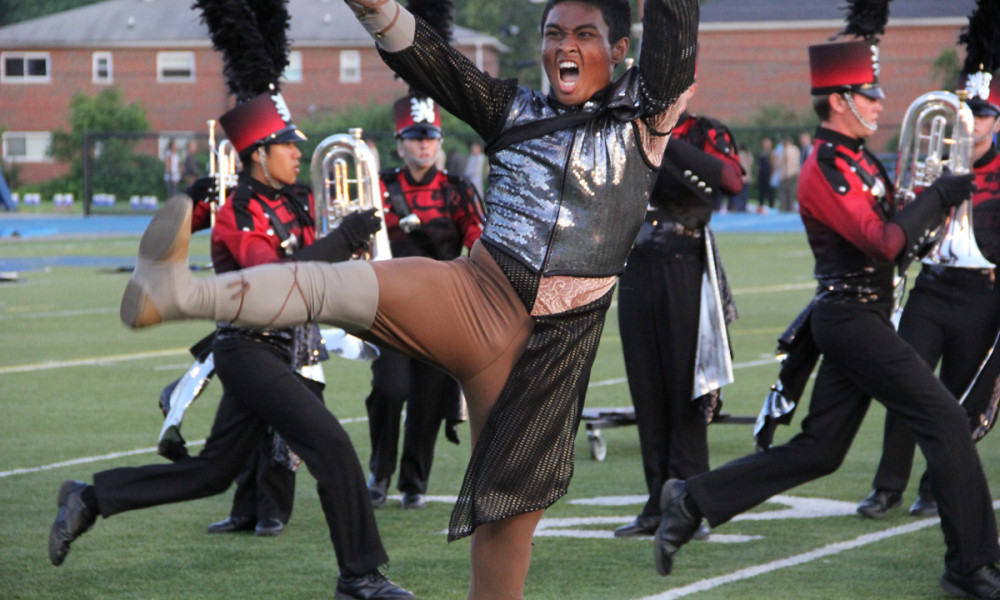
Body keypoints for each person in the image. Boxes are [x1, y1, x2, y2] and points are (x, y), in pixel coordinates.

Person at [106, 0, 698, 597]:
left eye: (585, 35)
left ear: (620, 50)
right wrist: (380, 9)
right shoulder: (510, 107)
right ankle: (176, 292)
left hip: (547, 358)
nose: (565, 46)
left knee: (505, 534)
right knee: (334, 285)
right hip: (475, 295)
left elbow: (676, 28)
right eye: (554, 34)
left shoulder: (643, 115)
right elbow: (437, 64)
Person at [48, 0, 414, 596]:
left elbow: (324, 266)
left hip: (283, 351)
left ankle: (90, 498)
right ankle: (361, 575)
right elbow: (273, 283)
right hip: (248, 349)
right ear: (257, 155)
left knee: (213, 472)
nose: (299, 152)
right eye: (287, 145)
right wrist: (339, 240)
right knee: (332, 446)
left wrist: (366, 233)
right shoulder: (235, 213)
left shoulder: (294, 202)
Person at [651, 27, 1000, 600]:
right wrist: (938, 196)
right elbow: (883, 243)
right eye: (870, 93)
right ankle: (972, 565)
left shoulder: (860, 161)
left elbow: (904, 243)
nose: (881, 103)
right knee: (944, 421)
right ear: (838, 100)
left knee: (821, 450)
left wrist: (935, 202)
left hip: (864, 316)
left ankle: (690, 500)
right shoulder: (825, 167)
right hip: (850, 319)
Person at [856, 67, 1000, 519]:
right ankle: (887, 487)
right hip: (933, 286)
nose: (974, 123)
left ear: (997, 120)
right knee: (906, 386)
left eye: (984, 114)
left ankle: (935, 486)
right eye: (968, 113)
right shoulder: (935, 163)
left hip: (985, 295)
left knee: (957, 400)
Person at [613, 87, 743, 540]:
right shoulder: (626, 128)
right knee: (646, 389)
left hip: (683, 263)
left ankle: (689, 501)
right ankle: (655, 503)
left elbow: (730, 182)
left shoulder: (706, 131)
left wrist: (665, 137)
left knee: (686, 389)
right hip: (634, 263)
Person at [365, 94, 484, 511]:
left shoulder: (458, 189)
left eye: (430, 136)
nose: (424, 145)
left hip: (441, 308)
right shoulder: (379, 186)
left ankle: (414, 479)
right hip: (390, 307)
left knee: (429, 397)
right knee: (390, 388)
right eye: (414, 137)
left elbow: (477, 240)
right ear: (400, 143)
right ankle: (379, 471)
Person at [775, 134, 801, 212]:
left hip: (786, 174)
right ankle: (790, 207)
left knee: (783, 192)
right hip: (795, 173)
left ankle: (784, 207)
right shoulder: (796, 149)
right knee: (791, 192)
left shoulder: (785, 150)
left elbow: (780, 162)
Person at [756, 136, 775, 212]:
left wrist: (772, 174)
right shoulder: (761, 153)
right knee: (761, 193)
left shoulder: (772, 153)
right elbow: (759, 165)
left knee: (770, 192)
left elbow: (774, 164)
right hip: (762, 175)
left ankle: (771, 207)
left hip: (769, 175)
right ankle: (761, 207)